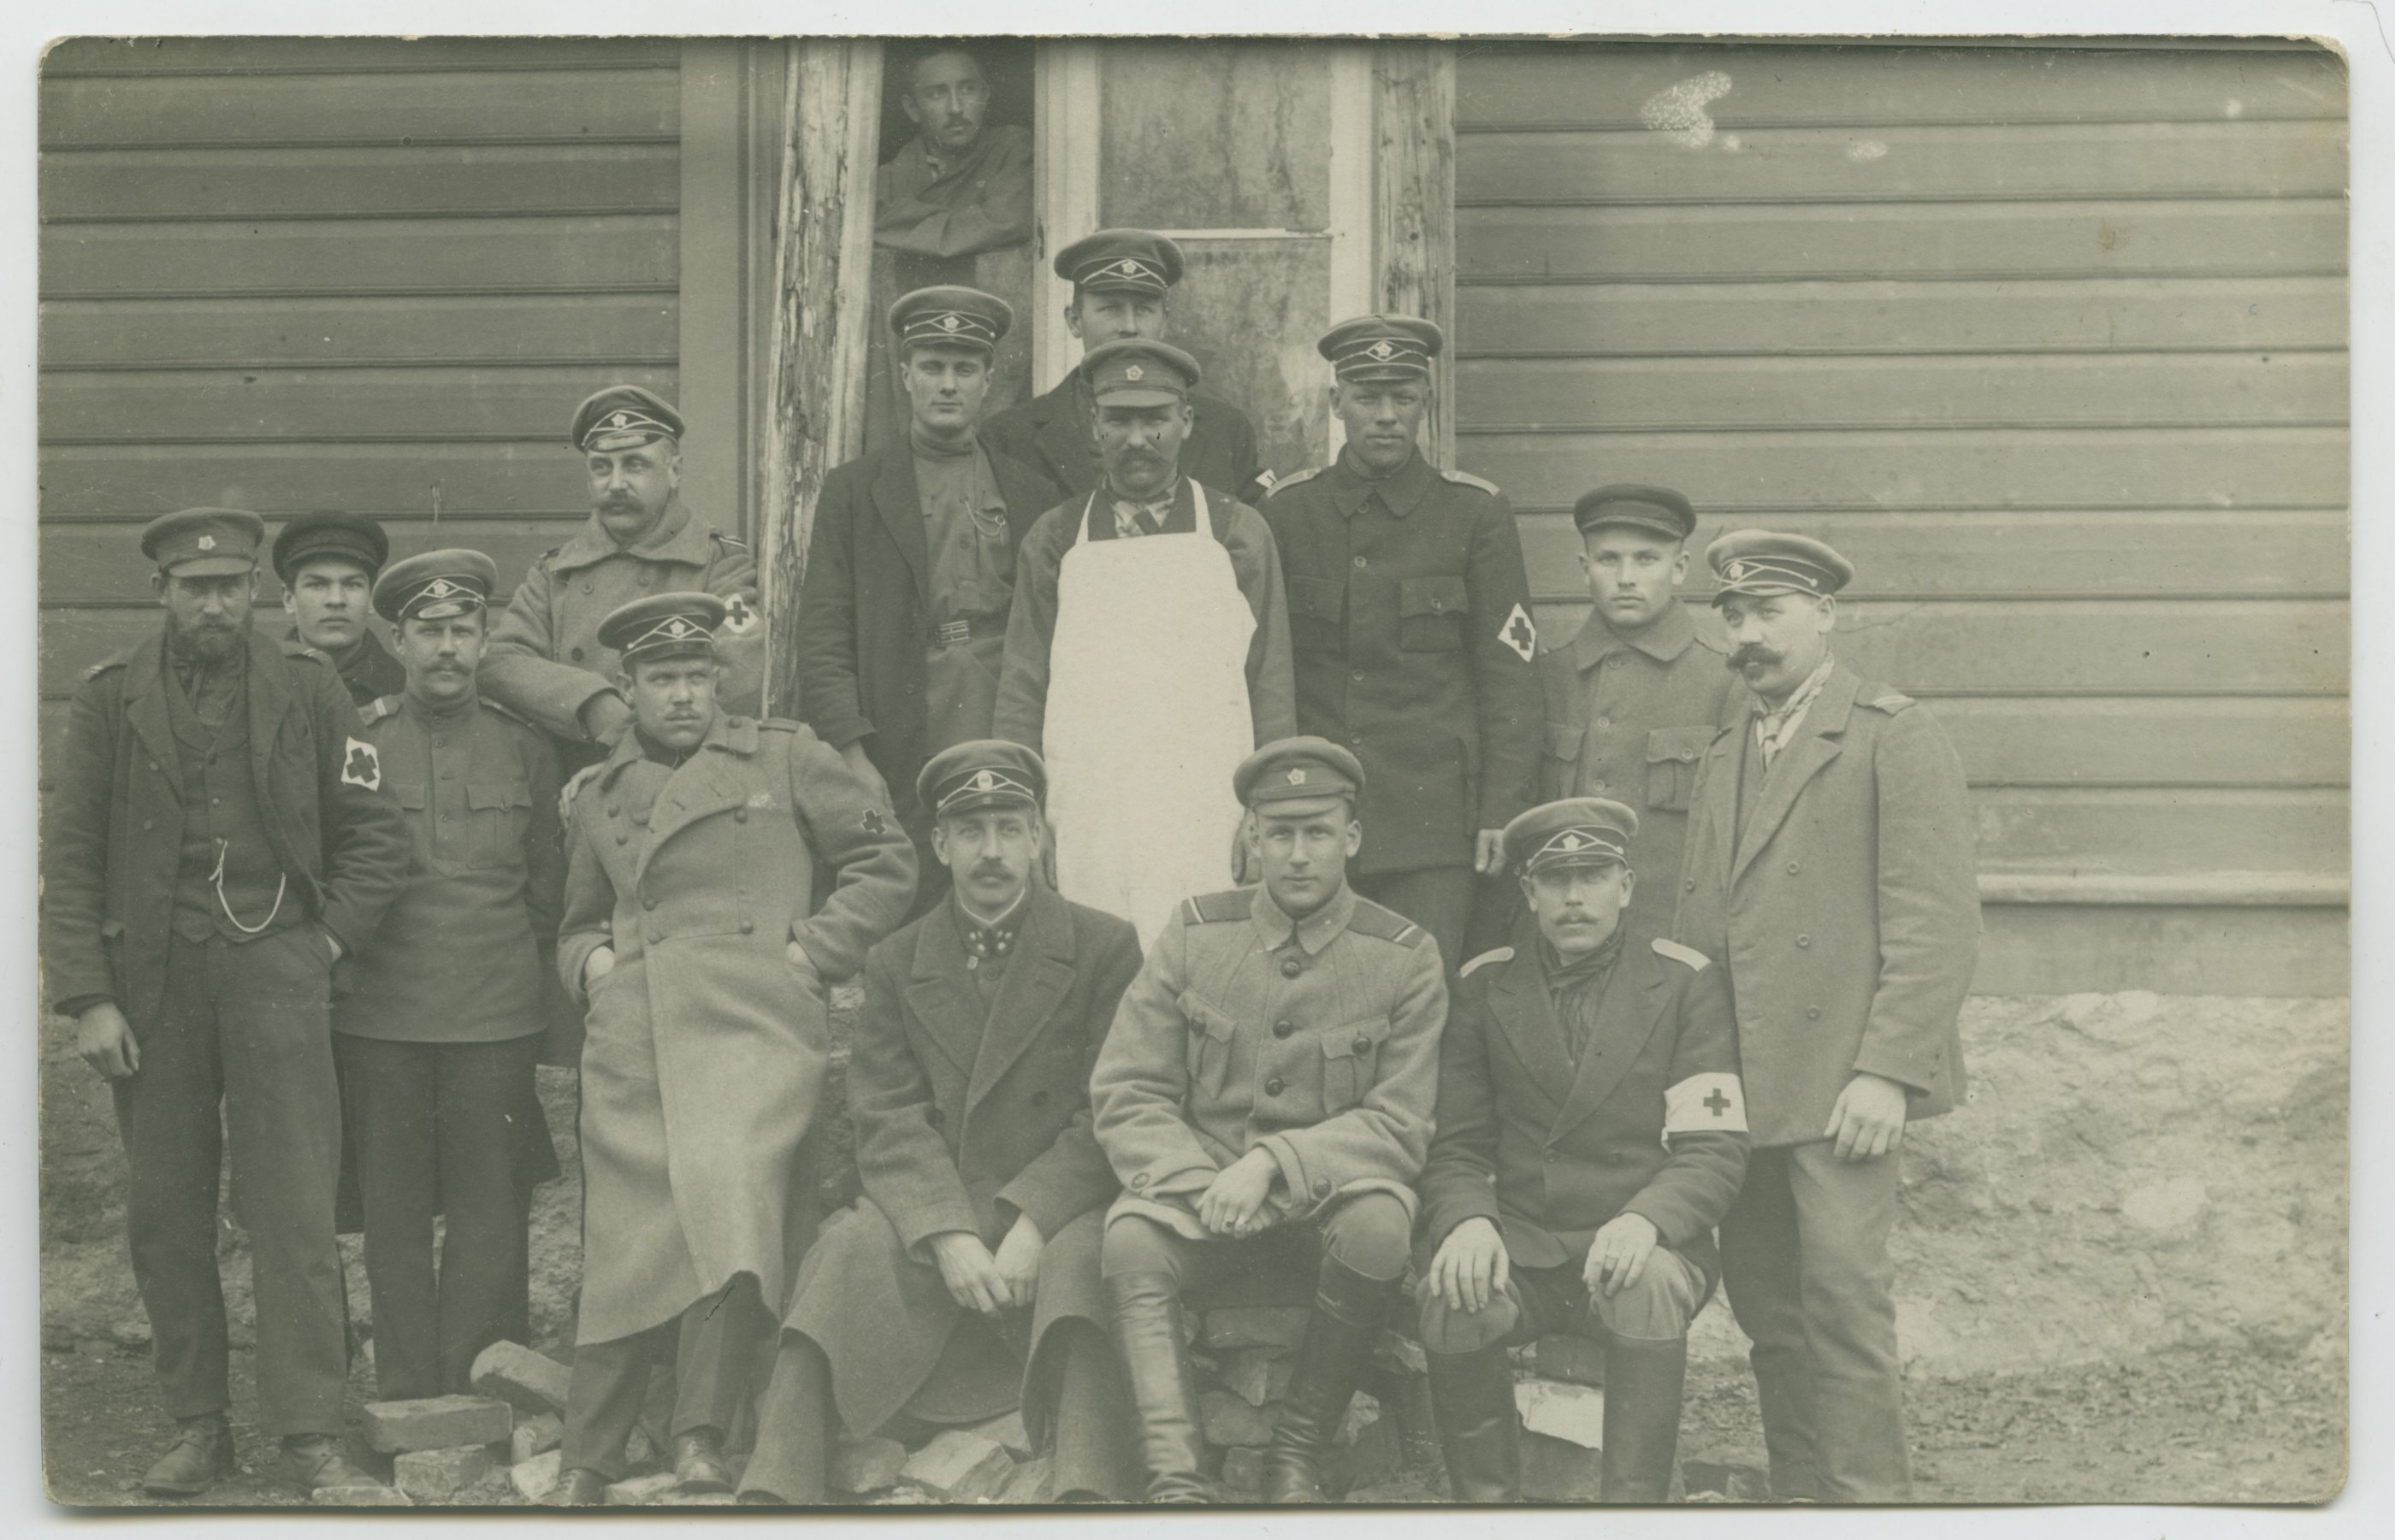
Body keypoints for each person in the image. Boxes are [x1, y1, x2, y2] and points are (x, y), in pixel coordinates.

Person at [43, 508, 409, 1497]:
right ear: (161, 591)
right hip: (152, 992)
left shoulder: (310, 688)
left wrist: (322, 943)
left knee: (294, 1211)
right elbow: (71, 861)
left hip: (277, 979)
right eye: (194, 587)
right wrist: (88, 998)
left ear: (254, 590)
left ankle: (310, 1435)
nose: (214, 604)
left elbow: (377, 837)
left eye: (229, 587)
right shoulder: (110, 698)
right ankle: (197, 1426)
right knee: (166, 1214)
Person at [545, 593, 915, 1506]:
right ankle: (589, 1455)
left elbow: (887, 860)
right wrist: (594, 968)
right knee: (628, 1227)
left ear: (719, 678)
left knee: (727, 1187)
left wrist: (813, 952)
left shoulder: (784, 754)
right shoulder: (599, 793)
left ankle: (699, 1434)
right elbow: (577, 921)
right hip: (637, 1029)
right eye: (660, 679)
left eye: (696, 676)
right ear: (627, 687)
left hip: (754, 1023)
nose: (681, 695)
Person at [742, 740, 1143, 1505]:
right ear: (940, 844)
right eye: (970, 830)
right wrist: (946, 1232)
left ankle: (1086, 1490)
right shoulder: (897, 959)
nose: (991, 851)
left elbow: (1113, 1108)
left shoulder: (1103, 946)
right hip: (942, 1206)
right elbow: (886, 1114)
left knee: (1084, 1258)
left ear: (1038, 836)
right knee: (847, 1246)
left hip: (1053, 1208)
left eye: (1009, 828)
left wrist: (1034, 1221)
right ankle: (776, 1489)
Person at [1673, 531, 1980, 1502]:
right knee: (1769, 1305)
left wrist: (1888, 1069)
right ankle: (1802, 1496)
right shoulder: (1729, 746)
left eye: (1769, 613)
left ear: (1825, 615)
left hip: (1843, 1080)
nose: (1748, 636)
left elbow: (1936, 922)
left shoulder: (1891, 733)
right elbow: (1702, 923)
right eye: (1733, 617)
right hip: (1742, 1077)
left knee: (1843, 1301)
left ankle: (1870, 1504)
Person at [1090, 738, 1445, 1503]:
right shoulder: (1195, 934)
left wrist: (1273, 1167)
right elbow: (1128, 1087)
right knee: (1129, 1238)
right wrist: (1201, 1182)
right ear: (1251, 835)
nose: (1298, 853)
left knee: (1382, 1225)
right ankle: (1176, 1482)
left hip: (1326, 1212)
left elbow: (1400, 1121)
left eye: (1318, 831)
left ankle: (1295, 1458)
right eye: (1279, 832)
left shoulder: (1404, 956)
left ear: (1352, 836)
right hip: (1202, 1208)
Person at [1416, 797, 1748, 1502]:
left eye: (1593, 876)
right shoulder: (1483, 985)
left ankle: (1632, 1510)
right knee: (1450, 1292)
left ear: (1625, 886)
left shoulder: (1685, 982)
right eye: (1556, 879)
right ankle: (1486, 1510)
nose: (1574, 897)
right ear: (1528, 891)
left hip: (1635, 1241)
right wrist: (1468, 1220)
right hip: (1525, 1245)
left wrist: (1647, 1219)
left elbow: (1713, 1148)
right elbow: (1455, 1145)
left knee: (1649, 1284)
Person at [334, 550, 565, 1401]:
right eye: (428, 631)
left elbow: (546, 890)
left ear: (483, 640)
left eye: (462, 630)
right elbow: (340, 865)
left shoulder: (524, 744)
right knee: (392, 1215)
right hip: (381, 1017)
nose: (446, 648)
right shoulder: (360, 741)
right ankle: (405, 1394)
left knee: (488, 1210)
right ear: (397, 640)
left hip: (494, 1017)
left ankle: (478, 1388)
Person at [1260, 315, 1541, 968]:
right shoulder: (1288, 513)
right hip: (1317, 822)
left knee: (1424, 999)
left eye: (1404, 397)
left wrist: (1502, 809)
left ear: (1426, 403)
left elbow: (1512, 675)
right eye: (1367, 397)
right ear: (1336, 402)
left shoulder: (1473, 513)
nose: (1386, 415)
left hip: (1435, 827)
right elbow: (1265, 674)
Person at [993, 338, 1296, 945]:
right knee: (1098, 955)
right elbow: (1022, 686)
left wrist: (1268, 813)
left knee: (1205, 954)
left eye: (1155, 420)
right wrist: (1022, 813)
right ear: (1094, 425)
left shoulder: (1237, 532)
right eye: (1119, 420)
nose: (1137, 439)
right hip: (1090, 804)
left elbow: (1271, 681)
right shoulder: (1055, 539)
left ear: (1186, 421)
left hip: (1207, 801)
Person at [796, 286, 1062, 917]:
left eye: (964, 369)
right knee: (910, 901)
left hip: (1005, 712)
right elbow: (824, 632)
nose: (947, 384)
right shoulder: (855, 490)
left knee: (1010, 888)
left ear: (988, 381)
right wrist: (853, 753)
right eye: (932, 366)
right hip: (903, 724)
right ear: (906, 375)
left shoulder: (1031, 491)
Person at [481, 386, 764, 770]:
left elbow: (739, 674)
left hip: (687, 775)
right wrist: (592, 701)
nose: (616, 483)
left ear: (675, 471)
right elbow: (500, 662)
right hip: (575, 776)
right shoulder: (555, 573)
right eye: (602, 467)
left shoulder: (718, 562)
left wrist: (638, 750)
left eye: (635, 465)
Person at [1537, 484, 1747, 937]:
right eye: (1608, 559)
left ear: (1680, 568)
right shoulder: (1548, 678)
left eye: (1647, 559)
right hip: (1565, 940)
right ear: (1584, 568)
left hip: (1674, 938)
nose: (1626, 577)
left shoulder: (1726, 680)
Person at [981, 229, 1263, 501]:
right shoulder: (1009, 437)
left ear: (1164, 322)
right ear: (1075, 320)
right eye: (1110, 308)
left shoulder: (1225, 430)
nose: (1129, 326)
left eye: (1144, 309)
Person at [874, 45, 1033, 260]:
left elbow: (1007, 220)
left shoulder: (1012, 149)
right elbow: (871, 219)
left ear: (985, 96)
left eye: (968, 89)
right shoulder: (889, 178)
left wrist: (908, 224)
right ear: (912, 108)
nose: (956, 108)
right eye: (936, 94)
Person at [272, 510, 405, 709]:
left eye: (352, 585)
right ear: (289, 598)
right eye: (317, 585)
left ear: (371, 598)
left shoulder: (404, 690)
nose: (336, 600)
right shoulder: (259, 683)